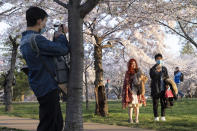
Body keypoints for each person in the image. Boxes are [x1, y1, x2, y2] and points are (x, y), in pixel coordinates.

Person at [20, 7, 69, 131]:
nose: (45, 24)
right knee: (50, 125)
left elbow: (48, 53)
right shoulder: (36, 39)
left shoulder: (25, 40)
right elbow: (62, 49)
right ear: (39, 21)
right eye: (45, 21)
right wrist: (61, 35)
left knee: (55, 122)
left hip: (40, 84)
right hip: (47, 86)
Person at [122, 59, 147, 124]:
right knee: (131, 106)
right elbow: (126, 82)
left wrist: (143, 79)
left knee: (137, 106)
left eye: (134, 63)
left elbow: (142, 79)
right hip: (131, 90)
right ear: (130, 64)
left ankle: (136, 119)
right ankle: (130, 119)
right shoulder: (128, 72)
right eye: (132, 63)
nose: (134, 65)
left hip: (138, 90)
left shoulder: (138, 71)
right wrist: (130, 90)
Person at [149, 53, 169, 122]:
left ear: (162, 59)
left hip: (163, 88)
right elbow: (151, 76)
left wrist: (167, 85)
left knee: (163, 102)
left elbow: (167, 77)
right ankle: (156, 117)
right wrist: (157, 71)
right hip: (155, 89)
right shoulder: (152, 68)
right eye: (157, 59)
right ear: (155, 60)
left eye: (160, 59)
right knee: (155, 103)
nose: (159, 60)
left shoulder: (164, 68)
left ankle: (163, 116)